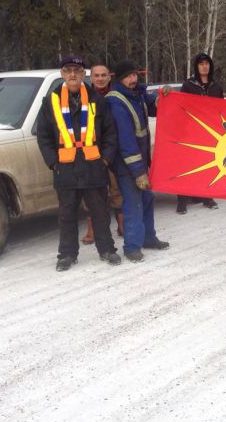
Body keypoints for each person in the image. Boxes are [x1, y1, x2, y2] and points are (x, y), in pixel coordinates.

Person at [36, 55, 121, 271]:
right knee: (66, 215)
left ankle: (107, 249)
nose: (73, 74)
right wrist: (53, 162)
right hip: (65, 169)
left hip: (94, 167)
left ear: (84, 74)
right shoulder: (51, 101)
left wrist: (105, 160)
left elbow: (111, 133)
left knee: (100, 212)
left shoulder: (96, 100)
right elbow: (44, 135)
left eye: (77, 70)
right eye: (68, 70)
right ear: (62, 74)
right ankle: (66, 255)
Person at [106, 60, 169, 262]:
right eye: (129, 76)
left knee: (147, 199)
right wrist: (138, 172)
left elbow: (155, 107)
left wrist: (166, 97)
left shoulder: (137, 94)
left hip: (141, 162)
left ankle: (148, 238)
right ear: (120, 78)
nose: (133, 79)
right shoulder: (115, 101)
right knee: (133, 204)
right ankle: (132, 247)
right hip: (127, 164)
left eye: (135, 75)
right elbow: (125, 140)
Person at [176, 52, 224, 214]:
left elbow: (222, 109)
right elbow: (181, 106)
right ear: (196, 66)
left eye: (207, 63)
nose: (205, 66)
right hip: (191, 131)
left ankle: (207, 197)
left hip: (210, 133)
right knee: (186, 166)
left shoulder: (216, 86)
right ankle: (182, 200)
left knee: (208, 165)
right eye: (201, 63)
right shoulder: (188, 85)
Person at [81, 64, 124, 244]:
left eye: (103, 75)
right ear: (91, 78)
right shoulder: (84, 97)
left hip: (114, 150)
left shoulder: (116, 96)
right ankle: (92, 229)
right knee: (90, 193)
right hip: (89, 151)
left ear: (109, 77)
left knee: (116, 189)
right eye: (96, 75)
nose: (99, 78)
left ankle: (122, 225)